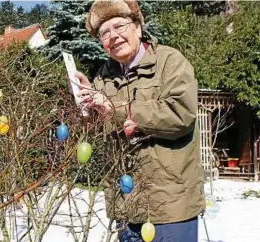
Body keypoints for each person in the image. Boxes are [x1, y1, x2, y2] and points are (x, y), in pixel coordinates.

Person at [74, 0, 205, 241]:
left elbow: (180, 114)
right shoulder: (103, 77)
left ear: (138, 27)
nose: (113, 36)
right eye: (104, 32)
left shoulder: (169, 62)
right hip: (126, 207)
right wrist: (87, 107)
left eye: (119, 26)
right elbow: (101, 131)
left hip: (170, 207)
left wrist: (116, 108)